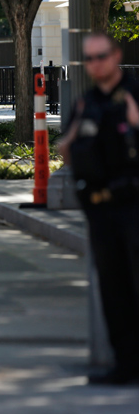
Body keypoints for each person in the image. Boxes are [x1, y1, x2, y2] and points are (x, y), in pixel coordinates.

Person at [58, 32, 139, 386]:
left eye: (101, 56)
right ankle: (124, 364)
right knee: (113, 287)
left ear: (116, 55)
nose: (96, 64)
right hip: (100, 208)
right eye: (89, 59)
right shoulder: (85, 101)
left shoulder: (134, 93)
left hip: (133, 203)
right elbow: (67, 147)